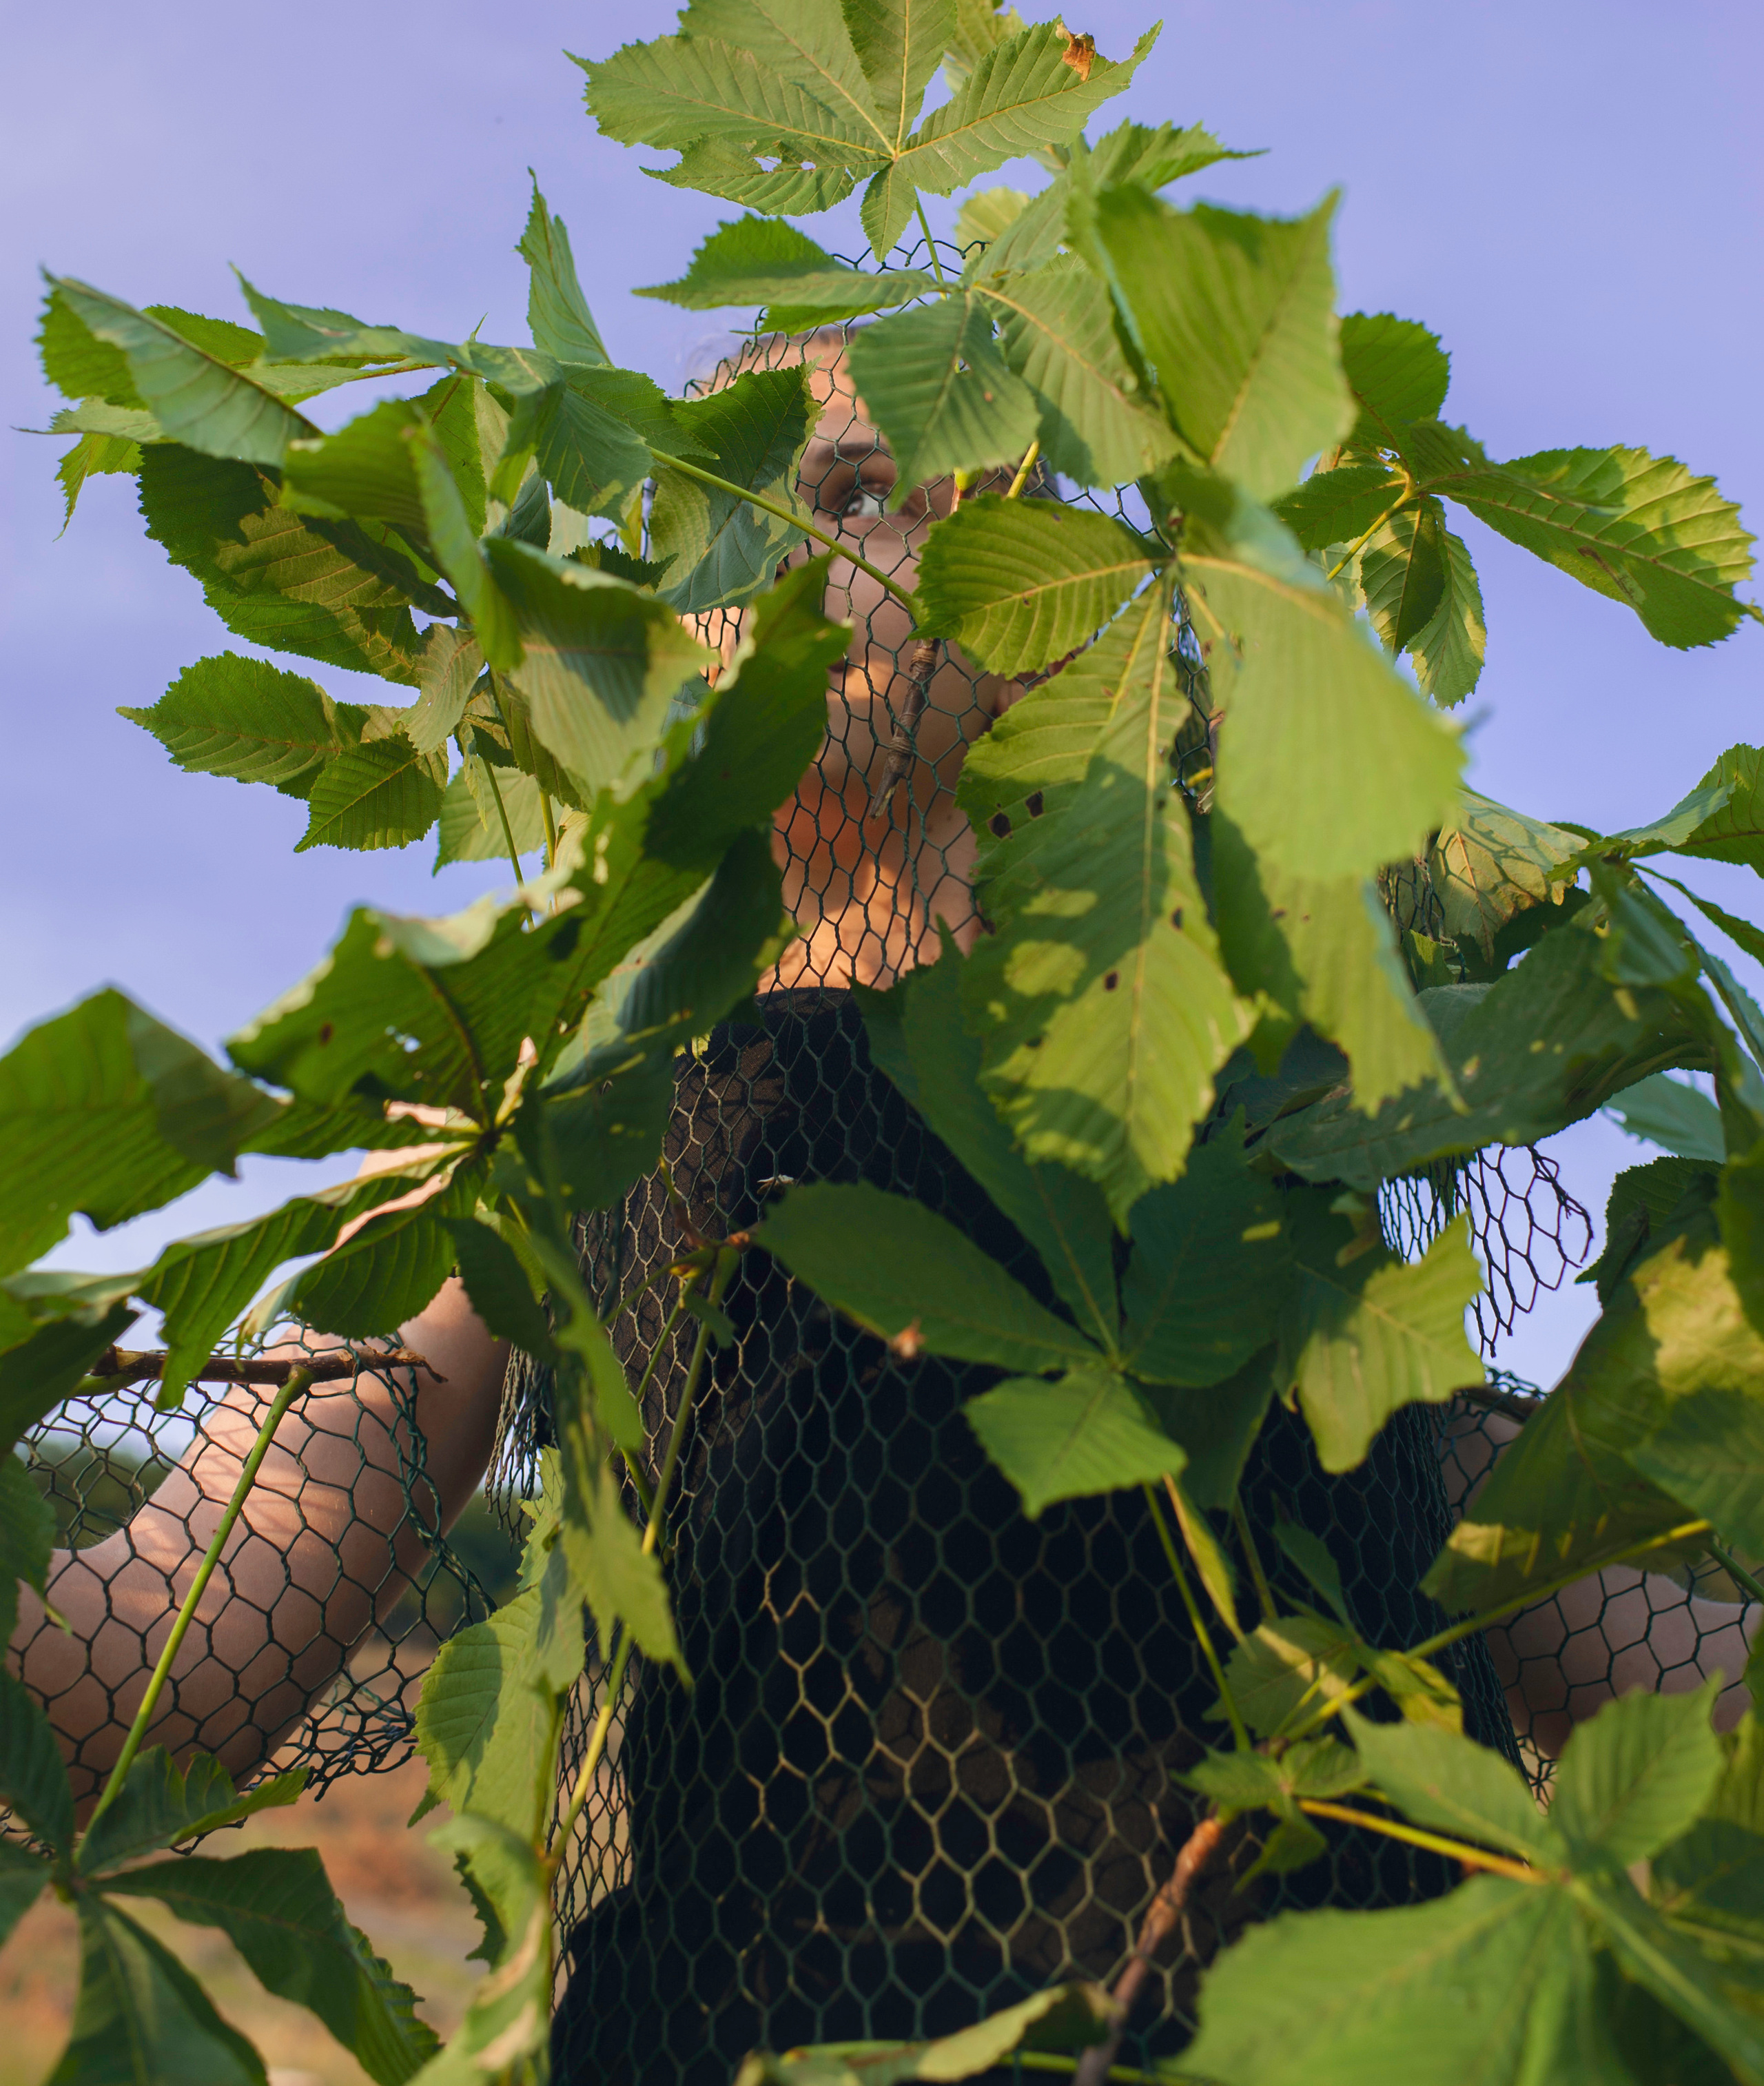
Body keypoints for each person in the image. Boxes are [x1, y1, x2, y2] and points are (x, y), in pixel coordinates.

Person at [10, 331, 1756, 2078]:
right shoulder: (544, 1102)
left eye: (966, 504)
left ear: (1067, 619)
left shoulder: (1262, 1112)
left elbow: (1597, 1621)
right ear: (655, 648)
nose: (879, 543)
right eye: (826, 493)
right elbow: (177, 1627)